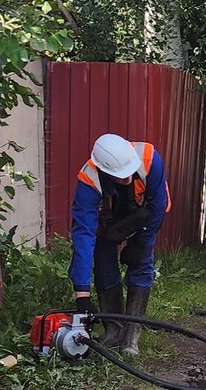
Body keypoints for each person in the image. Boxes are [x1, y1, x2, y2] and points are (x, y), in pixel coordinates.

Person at [69, 133, 170, 356]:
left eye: (128, 174)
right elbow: (83, 237)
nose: (126, 178)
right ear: (103, 169)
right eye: (119, 176)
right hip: (108, 222)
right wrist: (82, 294)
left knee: (142, 265)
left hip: (142, 218)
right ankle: (114, 332)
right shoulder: (89, 180)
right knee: (104, 267)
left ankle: (131, 338)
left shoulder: (149, 159)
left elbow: (157, 206)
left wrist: (140, 242)